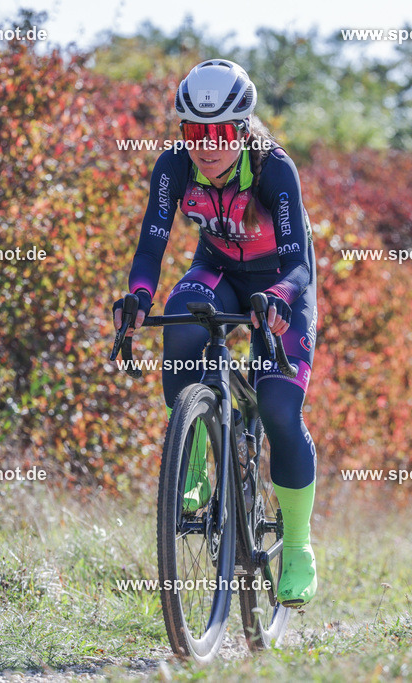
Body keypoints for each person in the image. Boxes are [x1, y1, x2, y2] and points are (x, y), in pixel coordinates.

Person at [112, 59, 319, 606]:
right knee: (180, 321)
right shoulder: (175, 167)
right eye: (194, 131)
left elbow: (299, 266)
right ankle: (198, 439)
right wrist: (137, 296)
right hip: (220, 272)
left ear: (244, 127)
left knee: (278, 410)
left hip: (281, 284)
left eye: (222, 131)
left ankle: (297, 547)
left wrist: (276, 299)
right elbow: (152, 244)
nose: (207, 144)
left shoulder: (274, 170)